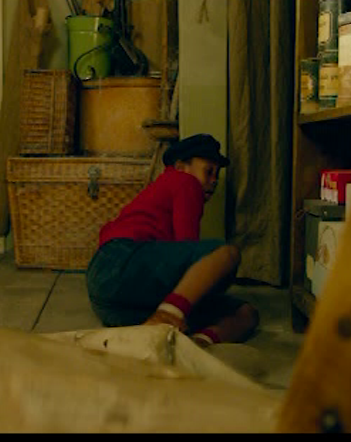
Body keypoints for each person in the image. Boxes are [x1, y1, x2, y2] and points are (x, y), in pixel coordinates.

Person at [85, 133, 259, 347]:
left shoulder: (163, 188)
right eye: (208, 171)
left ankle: (195, 344)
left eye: (217, 174)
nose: (214, 180)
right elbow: (188, 246)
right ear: (180, 167)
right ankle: (167, 317)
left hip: (113, 303)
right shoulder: (184, 181)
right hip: (122, 261)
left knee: (246, 313)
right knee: (226, 253)